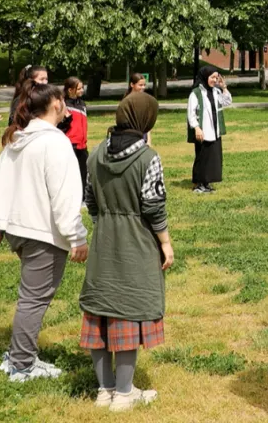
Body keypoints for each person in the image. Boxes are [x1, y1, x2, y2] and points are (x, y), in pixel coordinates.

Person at [0, 83, 89, 382]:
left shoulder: (18, 138)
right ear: (56, 104)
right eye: (62, 99)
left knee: (31, 297)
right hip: (41, 232)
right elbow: (65, 195)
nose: (66, 104)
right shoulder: (54, 142)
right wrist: (76, 236)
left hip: (20, 229)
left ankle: (20, 356)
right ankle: (21, 364)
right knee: (34, 299)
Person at [80, 93, 173, 411]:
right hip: (137, 242)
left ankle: (104, 390)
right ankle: (123, 394)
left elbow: (90, 200)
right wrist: (165, 242)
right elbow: (153, 206)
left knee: (100, 311)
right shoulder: (149, 158)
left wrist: (105, 224)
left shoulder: (95, 154)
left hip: (104, 240)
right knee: (128, 312)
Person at [187, 65, 232, 194]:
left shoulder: (215, 91)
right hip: (203, 131)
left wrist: (224, 87)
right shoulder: (196, 93)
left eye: (216, 78)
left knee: (212, 158)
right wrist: (196, 128)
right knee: (202, 157)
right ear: (205, 77)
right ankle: (199, 184)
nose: (215, 80)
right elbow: (191, 113)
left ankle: (207, 182)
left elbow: (227, 102)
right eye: (212, 77)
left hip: (214, 130)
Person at [58, 77, 90, 189]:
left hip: (83, 145)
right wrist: (66, 120)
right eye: (79, 88)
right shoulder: (63, 105)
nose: (82, 90)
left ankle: (84, 196)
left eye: (82, 88)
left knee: (84, 174)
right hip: (71, 145)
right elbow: (59, 127)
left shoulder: (82, 104)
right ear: (70, 90)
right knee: (71, 175)